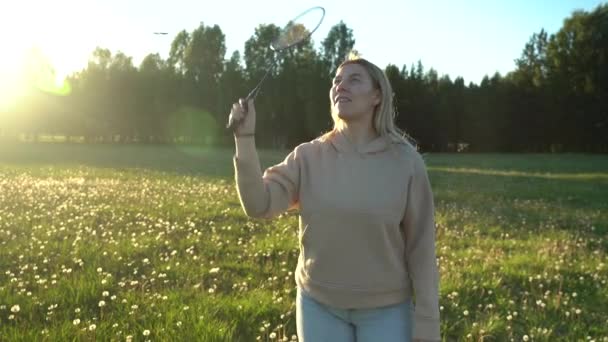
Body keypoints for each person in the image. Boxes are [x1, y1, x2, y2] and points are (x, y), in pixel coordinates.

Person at [228, 55, 440, 342]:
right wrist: (244, 137)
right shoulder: (308, 156)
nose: (341, 86)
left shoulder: (406, 162)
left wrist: (427, 319)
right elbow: (258, 204)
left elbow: (422, 246)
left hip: (387, 310)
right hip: (318, 305)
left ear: (377, 96)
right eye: (337, 81)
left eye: (354, 79)